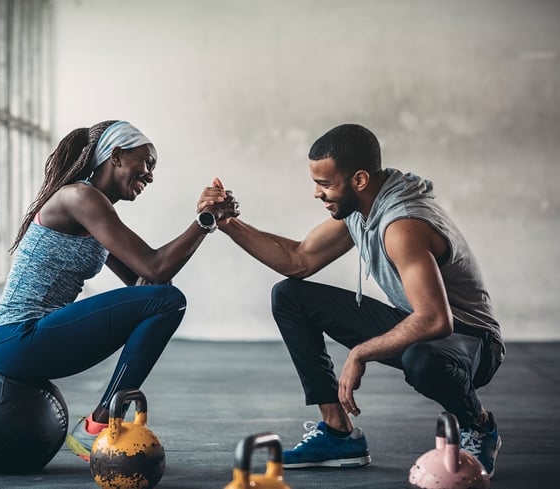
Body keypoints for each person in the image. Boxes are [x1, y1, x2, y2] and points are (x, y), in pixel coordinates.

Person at [215, 123, 504, 477]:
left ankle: (479, 425)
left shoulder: (402, 226)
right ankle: (338, 433)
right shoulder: (361, 210)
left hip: (473, 343)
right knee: (290, 296)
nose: (317, 194)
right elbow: (299, 260)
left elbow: (435, 320)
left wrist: (360, 352)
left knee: (422, 360)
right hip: (419, 323)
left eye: (325, 184)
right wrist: (228, 223)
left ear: (360, 180)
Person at [0, 120, 238, 461]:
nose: (150, 175)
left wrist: (209, 217)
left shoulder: (95, 210)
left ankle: (99, 422)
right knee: (168, 302)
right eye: (147, 162)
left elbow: (149, 284)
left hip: (33, 342)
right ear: (117, 155)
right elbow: (155, 269)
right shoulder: (79, 197)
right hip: (18, 337)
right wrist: (203, 222)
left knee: (165, 301)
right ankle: (99, 425)